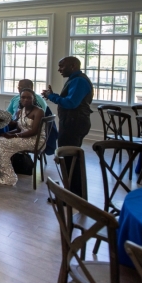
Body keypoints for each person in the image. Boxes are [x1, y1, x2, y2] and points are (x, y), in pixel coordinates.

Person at [41, 56, 93, 198]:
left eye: (61, 66)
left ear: (73, 66)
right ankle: (72, 193)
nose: (59, 70)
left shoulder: (79, 81)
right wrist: (52, 95)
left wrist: (52, 96)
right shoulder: (75, 80)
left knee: (71, 160)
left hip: (74, 124)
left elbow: (71, 103)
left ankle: (73, 196)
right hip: (71, 122)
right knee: (70, 159)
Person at [0, 89, 46, 186]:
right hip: (23, 137)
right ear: (20, 99)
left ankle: (9, 177)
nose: (26, 100)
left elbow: (34, 131)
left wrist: (14, 136)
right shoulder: (20, 111)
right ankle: (0, 172)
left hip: (35, 140)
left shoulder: (39, 111)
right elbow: (19, 129)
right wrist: (8, 133)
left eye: (29, 98)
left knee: (0, 144)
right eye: (23, 97)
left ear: (33, 99)